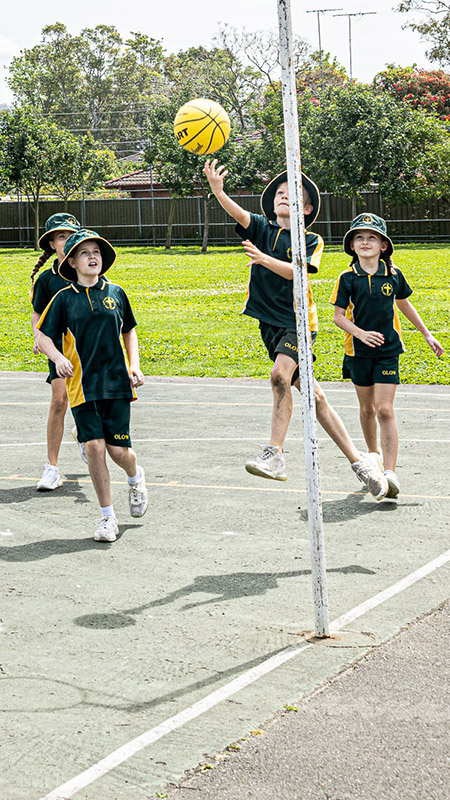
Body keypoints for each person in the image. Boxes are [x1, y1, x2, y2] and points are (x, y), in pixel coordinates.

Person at [203, 159, 387, 500]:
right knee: (315, 398)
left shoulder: (310, 239)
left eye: (293, 194)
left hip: (299, 321)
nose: (284, 196)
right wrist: (219, 191)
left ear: (307, 208)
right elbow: (238, 213)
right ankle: (361, 463)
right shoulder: (260, 228)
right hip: (269, 324)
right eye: (280, 193)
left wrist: (263, 259)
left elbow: (297, 273)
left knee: (279, 376)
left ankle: (274, 455)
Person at [36, 229, 148, 542]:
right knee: (95, 447)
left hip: (115, 382)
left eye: (96, 251)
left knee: (119, 451)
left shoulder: (116, 292)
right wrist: (57, 357)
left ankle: (135, 477)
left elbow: (129, 331)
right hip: (81, 387)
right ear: (71, 261)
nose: (92, 257)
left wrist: (134, 364)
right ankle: (107, 518)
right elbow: (43, 336)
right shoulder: (63, 299)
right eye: (84, 253)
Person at [330, 213, 443, 499]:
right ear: (352, 246)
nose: (365, 242)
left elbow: (404, 305)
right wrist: (361, 334)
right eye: (359, 237)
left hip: (388, 351)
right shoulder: (347, 278)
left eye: (372, 238)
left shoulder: (393, 275)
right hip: (357, 352)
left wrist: (427, 334)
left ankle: (391, 473)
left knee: (384, 409)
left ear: (383, 245)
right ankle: (373, 456)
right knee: (367, 409)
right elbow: (339, 318)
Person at [31, 213, 87, 492]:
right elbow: (38, 314)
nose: (66, 241)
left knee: (88, 402)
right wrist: (38, 338)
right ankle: (51, 467)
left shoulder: (89, 269)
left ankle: (84, 434)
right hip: (59, 349)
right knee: (59, 400)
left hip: (87, 348)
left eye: (70, 235)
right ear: (52, 244)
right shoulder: (47, 280)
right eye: (61, 237)